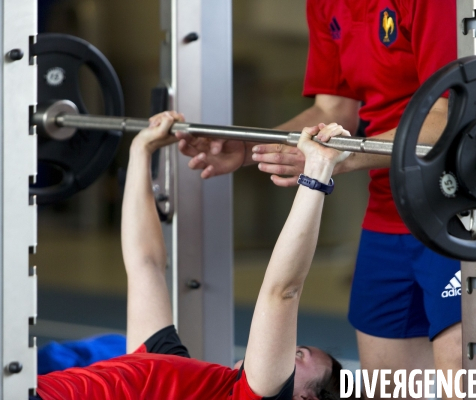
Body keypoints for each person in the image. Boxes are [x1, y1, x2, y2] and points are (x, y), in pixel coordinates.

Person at [176, 1, 461, 398]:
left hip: (456, 211)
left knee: (462, 387)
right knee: (388, 391)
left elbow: (447, 115)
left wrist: (340, 158)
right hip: (388, 211)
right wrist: (249, 147)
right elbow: (333, 109)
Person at [33, 112, 349, 400]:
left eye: (298, 356)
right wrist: (141, 151)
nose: (288, 349)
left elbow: (284, 291)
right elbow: (145, 264)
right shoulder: (178, 378)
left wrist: (319, 172)